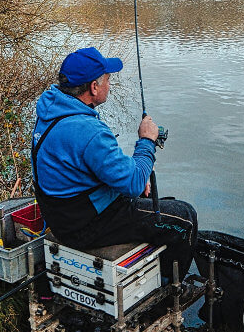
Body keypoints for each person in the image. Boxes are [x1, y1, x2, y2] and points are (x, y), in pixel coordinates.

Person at [31, 46, 198, 282]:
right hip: (84, 227)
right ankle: (171, 290)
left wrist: (133, 180)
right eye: (108, 79)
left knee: (152, 200)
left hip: (63, 217)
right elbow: (132, 183)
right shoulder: (88, 131)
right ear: (93, 87)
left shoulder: (51, 110)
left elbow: (83, 168)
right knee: (184, 217)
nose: (110, 84)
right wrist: (146, 141)